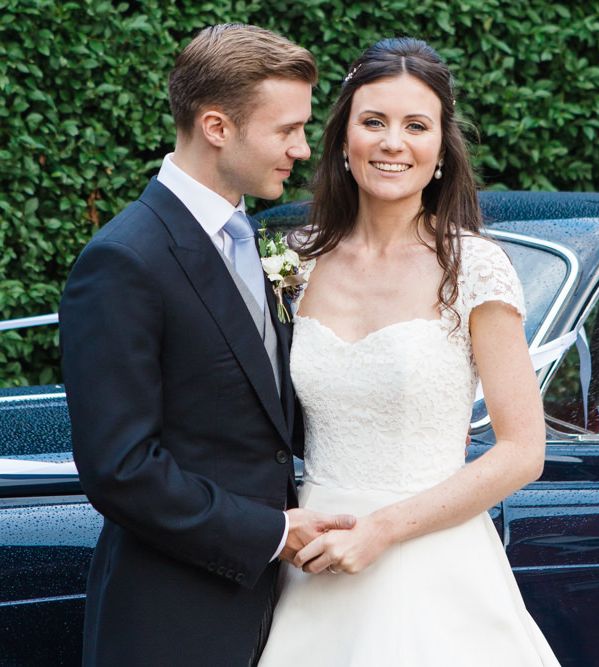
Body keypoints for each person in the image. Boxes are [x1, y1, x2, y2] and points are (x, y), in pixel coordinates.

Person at [60, 24, 355, 666]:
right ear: (217, 127)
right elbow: (121, 469)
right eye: (286, 131)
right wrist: (272, 532)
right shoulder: (123, 260)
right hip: (173, 620)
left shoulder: (254, 238)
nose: (303, 150)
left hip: (285, 612)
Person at [259, 38, 561, 665]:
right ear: (344, 140)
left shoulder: (474, 268)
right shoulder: (294, 262)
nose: (392, 142)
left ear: (440, 150)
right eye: (373, 122)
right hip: (312, 557)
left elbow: (522, 452)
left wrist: (384, 530)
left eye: (415, 126)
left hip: (432, 561)